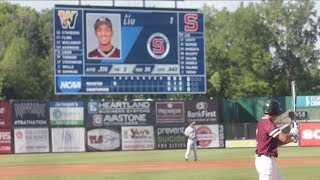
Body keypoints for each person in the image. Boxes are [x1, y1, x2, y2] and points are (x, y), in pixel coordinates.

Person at [255, 99, 299, 180]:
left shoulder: (261, 123)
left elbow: (276, 143)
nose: (277, 114)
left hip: (267, 159)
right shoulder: (268, 123)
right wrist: (292, 133)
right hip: (266, 160)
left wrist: (291, 139)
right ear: (273, 111)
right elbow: (284, 138)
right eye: (277, 112)